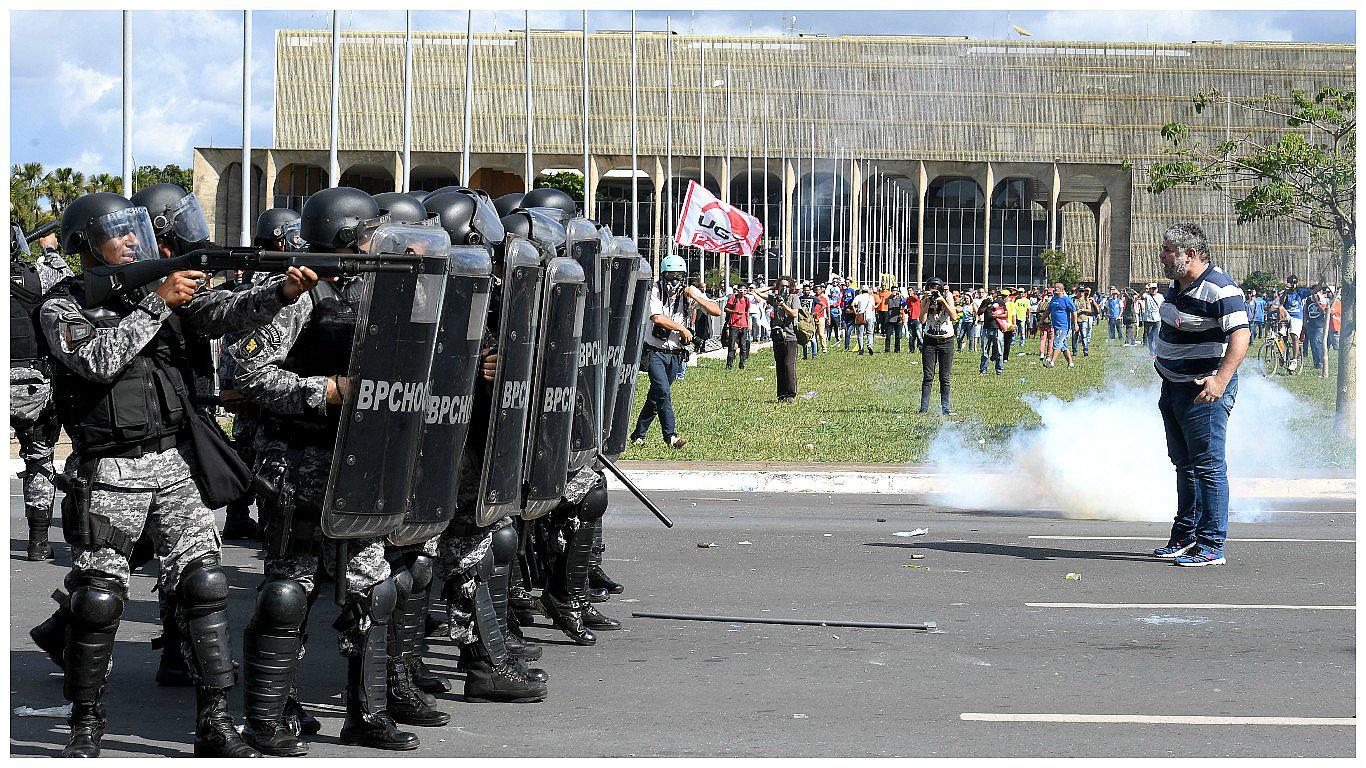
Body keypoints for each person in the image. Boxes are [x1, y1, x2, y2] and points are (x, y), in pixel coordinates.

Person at [40, 192, 317, 757]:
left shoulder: (156, 290)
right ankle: (86, 723)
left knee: (204, 585)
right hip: (107, 469)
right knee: (98, 599)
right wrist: (156, 304)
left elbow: (220, 317)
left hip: (173, 465)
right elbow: (96, 359)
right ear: (83, 248)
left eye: (132, 230)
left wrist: (280, 293)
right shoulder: (62, 304)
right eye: (113, 234)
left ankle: (215, 724)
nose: (129, 242)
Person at [1151, 222, 1249, 567]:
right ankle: (1185, 535)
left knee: (1207, 467)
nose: (1161, 255)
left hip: (1203, 391)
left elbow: (1240, 335)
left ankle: (1211, 545)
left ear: (1190, 254)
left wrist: (1220, 381)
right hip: (1173, 387)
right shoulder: (1177, 286)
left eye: (1167, 250)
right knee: (1184, 464)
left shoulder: (1220, 288)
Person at [11, 227, 74, 561]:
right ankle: (37, 541)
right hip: (31, 384)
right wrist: (49, 251)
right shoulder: (40, 276)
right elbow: (69, 282)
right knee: (39, 458)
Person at [630, 253, 721, 447]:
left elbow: (716, 310)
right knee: (663, 390)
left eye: (679, 277)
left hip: (676, 353)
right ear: (663, 276)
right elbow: (657, 318)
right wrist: (682, 328)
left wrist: (694, 295)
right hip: (654, 351)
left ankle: (638, 434)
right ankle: (670, 436)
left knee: (656, 396)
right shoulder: (654, 290)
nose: (675, 281)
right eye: (671, 276)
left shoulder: (688, 293)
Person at [918, 277, 958, 414]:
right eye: (931, 287)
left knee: (944, 377)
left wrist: (942, 301)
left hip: (946, 341)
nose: (933, 290)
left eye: (936, 288)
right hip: (930, 341)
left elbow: (954, 317)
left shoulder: (947, 297)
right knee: (928, 376)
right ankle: (923, 408)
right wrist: (928, 301)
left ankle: (945, 408)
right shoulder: (925, 299)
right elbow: (922, 320)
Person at [761, 276, 801, 402]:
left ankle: (791, 394)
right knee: (780, 365)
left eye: (787, 286)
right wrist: (772, 287)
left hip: (790, 336)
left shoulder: (793, 298)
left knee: (789, 365)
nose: (784, 288)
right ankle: (781, 394)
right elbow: (756, 292)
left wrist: (783, 304)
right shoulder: (774, 299)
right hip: (778, 335)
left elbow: (794, 313)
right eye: (782, 286)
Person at [1278, 275, 1312, 371]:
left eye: (1293, 283)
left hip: (1297, 317)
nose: (1292, 285)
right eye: (1290, 283)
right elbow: (1280, 302)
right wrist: (1285, 292)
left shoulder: (1300, 292)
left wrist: (1321, 282)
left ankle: (1294, 360)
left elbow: (1313, 291)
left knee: (1294, 337)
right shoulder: (1285, 292)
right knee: (1280, 308)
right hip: (1287, 316)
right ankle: (1283, 328)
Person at [978, 289, 1010, 374]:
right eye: (989, 293)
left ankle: (999, 369)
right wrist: (986, 304)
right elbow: (979, 312)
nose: (991, 295)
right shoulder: (985, 301)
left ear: (996, 294)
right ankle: (983, 370)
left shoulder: (1000, 302)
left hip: (997, 328)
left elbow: (1006, 314)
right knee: (985, 351)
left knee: (999, 350)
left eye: (992, 293)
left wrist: (997, 315)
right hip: (986, 328)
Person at [1046, 282, 1077, 369]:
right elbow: (1048, 310)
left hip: (1063, 326)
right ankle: (1070, 363)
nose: (1055, 291)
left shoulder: (1066, 300)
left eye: (1057, 289)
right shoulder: (1054, 299)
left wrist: (1075, 324)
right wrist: (1041, 320)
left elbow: (1074, 312)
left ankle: (1052, 362)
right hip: (1055, 326)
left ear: (1062, 290)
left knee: (1057, 343)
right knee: (1063, 346)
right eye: (1054, 289)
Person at [723, 284, 751, 370]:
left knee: (743, 346)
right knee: (731, 345)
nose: (742, 292)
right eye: (740, 290)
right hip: (734, 325)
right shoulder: (733, 298)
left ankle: (742, 364)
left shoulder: (747, 299)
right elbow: (726, 309)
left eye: (744, 290)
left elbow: (747, 312)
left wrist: (748, 324)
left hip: (744, 325)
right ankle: (729, 364)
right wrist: (734, 312)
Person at [1303, 284, 1329, 373]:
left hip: (1319, 326)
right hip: (1310, 325)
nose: (1313, 295)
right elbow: (1306, 312)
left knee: (1318, 343)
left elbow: (1324, 312)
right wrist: (1305, 322)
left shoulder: (1322, 301)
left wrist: (1317, 302)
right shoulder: (1308, 301)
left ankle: (1321, 362)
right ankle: (1316, 362)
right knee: (1313, 344)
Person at [1139, 282, 1164, 355]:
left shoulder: (1160, 296)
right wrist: (1144, 288)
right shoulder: (1147, 295)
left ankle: (1156, 351)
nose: (1153, 290)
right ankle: (1151, 351)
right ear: (1149, 289)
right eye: (1152, 289)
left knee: (1157, 335)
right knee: (1149, 335)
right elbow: (1140, 295)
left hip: (1158, 318)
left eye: (1154, 289)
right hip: (1148, 319)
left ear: (1157, 289)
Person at [851, 287, 877, 355]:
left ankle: (861, 349)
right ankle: (869, 345)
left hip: (861, 316)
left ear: (861, 290)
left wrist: (855, 312)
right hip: (870, 316)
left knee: (860, 334)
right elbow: (873, 306)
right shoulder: (871, 297)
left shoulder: (858, 296)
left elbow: (852, 304)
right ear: (868, 290)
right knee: (870, 333)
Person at [884, 287, 905, 353]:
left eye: (896, 291)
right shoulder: (889, 298)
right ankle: (887, 349)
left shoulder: (900, 298)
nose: (895, 292)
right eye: (893, 290)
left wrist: (902, 297)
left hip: (898, 319)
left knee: (898, 336)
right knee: (888, 336)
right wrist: (891, 295)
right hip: (890, 320)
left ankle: (897, 349)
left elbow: (904, 304)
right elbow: (885, 302)